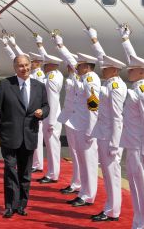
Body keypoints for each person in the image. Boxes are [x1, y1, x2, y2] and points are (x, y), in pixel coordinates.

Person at [0, 54, 50, 218]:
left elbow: (46, 106)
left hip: (29, 135)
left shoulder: (39, 86)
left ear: (30, 65)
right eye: (20, 66)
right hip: (9, 135)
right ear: (15, 68)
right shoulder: (5, 84)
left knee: (25, 174)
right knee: (10, 170)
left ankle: (22, 205)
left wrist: (42, 112)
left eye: (26, 65)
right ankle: (10, 205)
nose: (24, 68)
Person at [84, 27, 127, 222]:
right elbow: (101, 57)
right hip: (103, 133)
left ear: (115, 70)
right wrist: (94, 39)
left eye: (106, 67)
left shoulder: (116, 86)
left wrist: (114, 143)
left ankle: (113, 211)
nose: (102, 68)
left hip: (110, 137)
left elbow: (118, 117)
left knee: (113, 177)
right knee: (108, 178)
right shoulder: (110, 83)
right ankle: (110, 208)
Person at [54, 33, 101, 207]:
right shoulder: (85, 78)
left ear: (86, 67)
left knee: (88, 163)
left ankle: (88, 195)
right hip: (79, 125)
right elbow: (69, 59)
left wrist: (91, 129)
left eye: (79, 66)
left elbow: (94, 106)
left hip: (86, 127)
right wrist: (60, 45)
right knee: (82, 161)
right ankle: (83, 192)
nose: (76, 68)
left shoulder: (91, 80)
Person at [118, 24, 144, 229]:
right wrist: (126, 41)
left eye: (132, 70)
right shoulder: (137, 85)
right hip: (132, 143)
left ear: (142, 72)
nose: (129, 71)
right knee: (134, 187)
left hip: (141, 147)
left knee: (143, 187)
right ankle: (138, 223)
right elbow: (133, 61)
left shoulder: (143, 90)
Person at [1, 34, 46, 174]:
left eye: (31, 63)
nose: (26, 67)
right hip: (20, 121)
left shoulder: (38, 77)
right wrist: (10, 45)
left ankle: (38, 164)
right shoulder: (23, 73)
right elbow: (16, 59)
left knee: (35, 143)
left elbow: (45, 102)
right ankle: (36, 164)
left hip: (34, 115)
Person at [33, 35, 64, 184]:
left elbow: (52, 100)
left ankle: (53, 174)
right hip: (52, 116)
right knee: (51, 147)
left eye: (46, 64)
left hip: (51, 117)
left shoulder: (51, 78)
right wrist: (40, 44)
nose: (43, 66)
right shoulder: (55, 74)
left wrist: (50, 121)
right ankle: (51, 172)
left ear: (51, 65)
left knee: (52, 147)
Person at [57, 52, 82, 194]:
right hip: (70, 120)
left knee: (78, 154)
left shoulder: (79, 79)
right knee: (74, 154)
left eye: (70, 64)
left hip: (78, 122)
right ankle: (76, 182)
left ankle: (78, 184)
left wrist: (60, 46)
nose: (68, 66)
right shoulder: (73, 78)